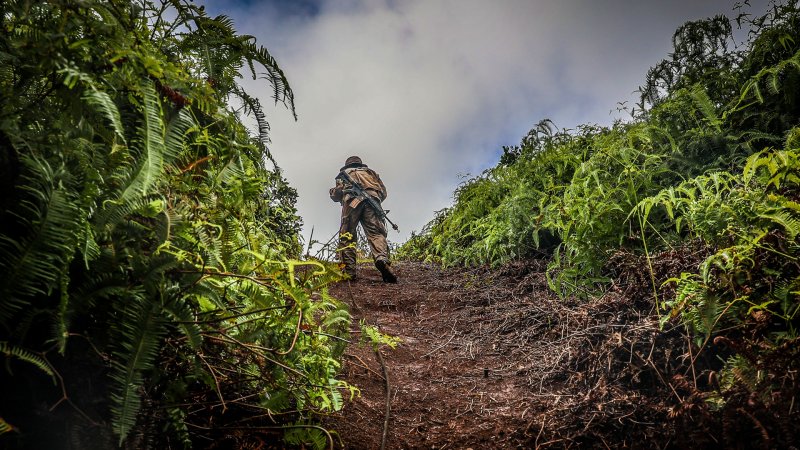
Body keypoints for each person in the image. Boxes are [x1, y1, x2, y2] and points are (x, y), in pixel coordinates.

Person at [329, 156, 398, 283]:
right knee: (376, 233)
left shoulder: (345, 174)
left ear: (347, 165)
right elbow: (383, 192)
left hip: (351, 202)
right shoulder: (371, 173)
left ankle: (349, 272)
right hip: (372, 201)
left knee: (347, 235)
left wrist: (333, 192)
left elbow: (337, 194)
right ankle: (381, 259)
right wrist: (373, 200)